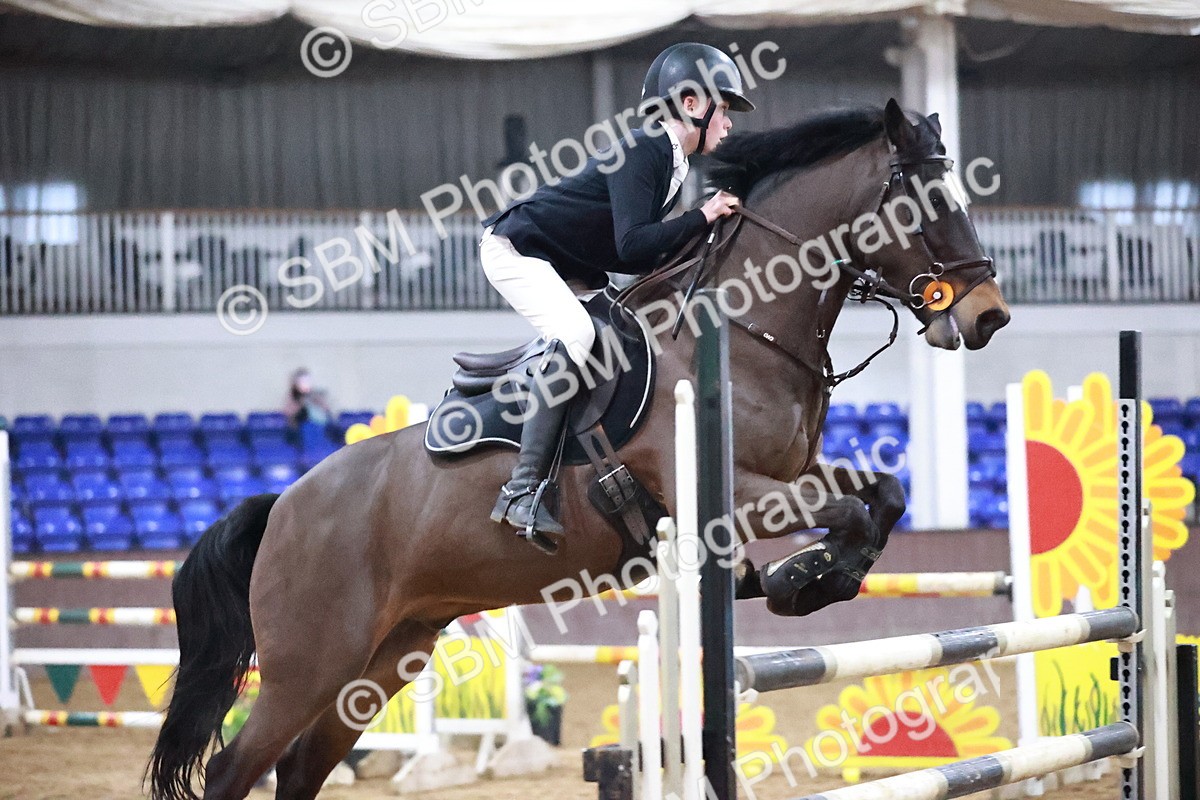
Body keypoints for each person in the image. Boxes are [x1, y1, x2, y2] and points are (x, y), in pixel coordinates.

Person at [479, 42, 755, 543]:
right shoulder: (647, 146)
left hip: (574, 263)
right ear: (692, 104)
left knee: (624, 339)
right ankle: (520, 492)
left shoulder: (673, 161)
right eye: (726, 108)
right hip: (519, 248)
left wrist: (701, 233)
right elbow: (632, 244)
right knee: (580, 338)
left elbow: (638, 254)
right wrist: (702, 216)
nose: (730, 122)